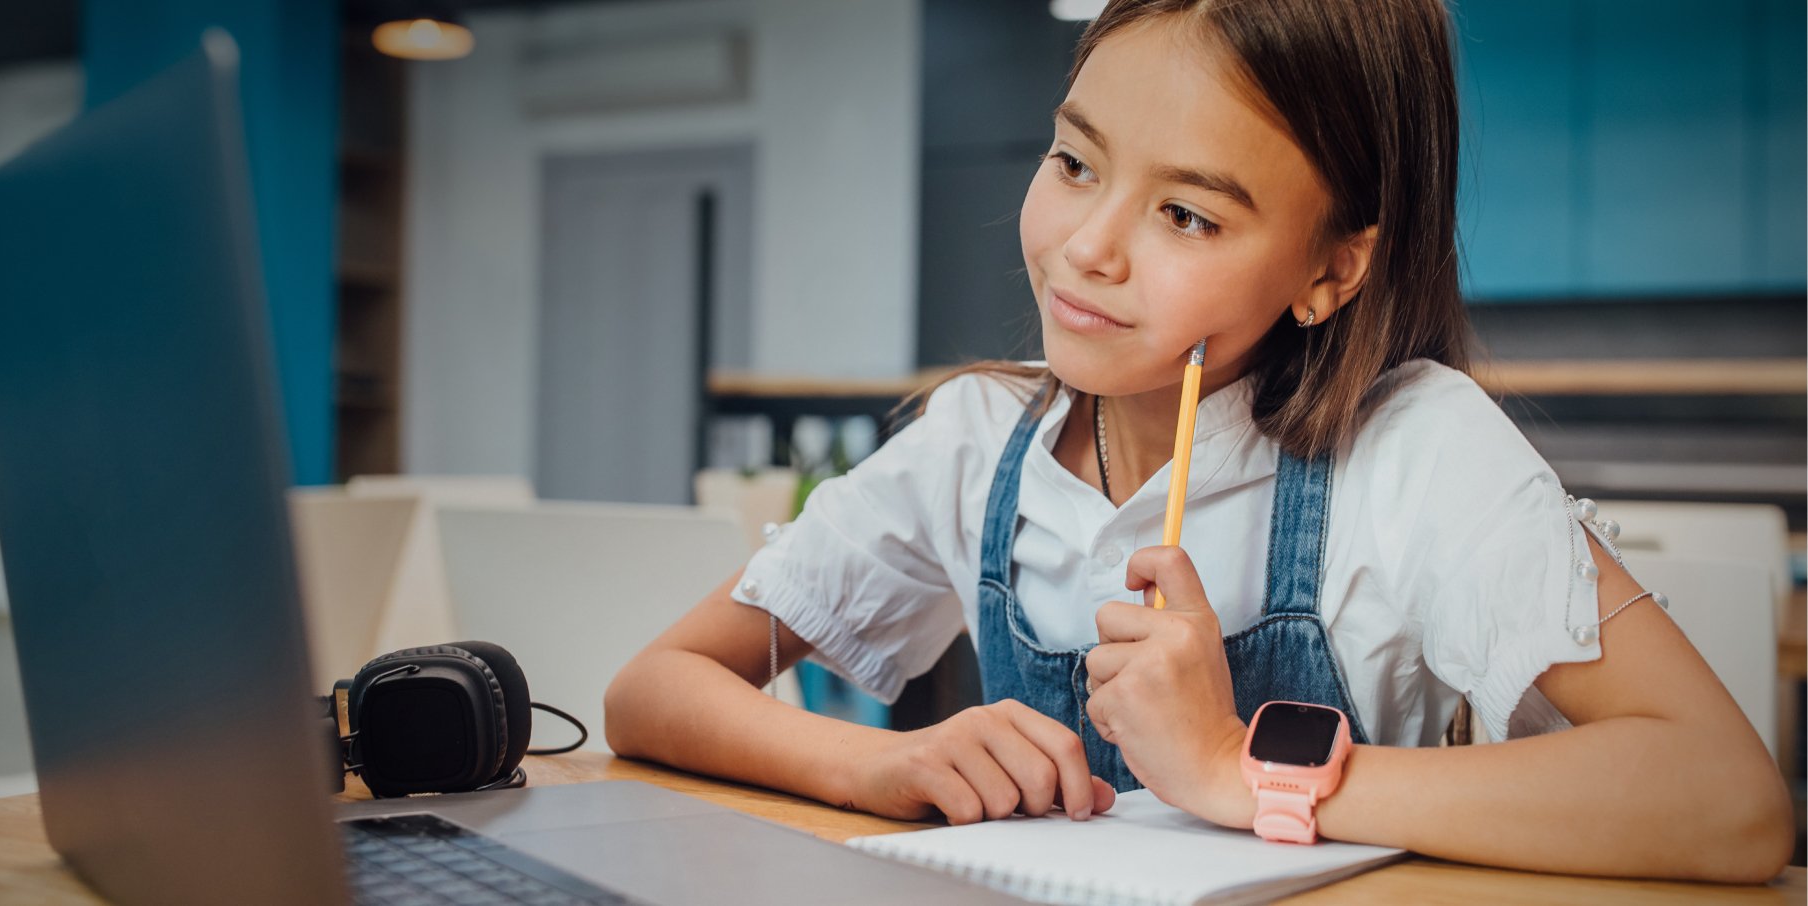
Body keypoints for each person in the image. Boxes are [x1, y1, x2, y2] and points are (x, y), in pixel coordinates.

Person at [605, 0, 1793, 882]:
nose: (1087, 248)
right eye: (1073, 162)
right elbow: (654, 689)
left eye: (1185, 213)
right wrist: (879, 766)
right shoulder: (975, 444)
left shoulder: (1411, 453)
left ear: (1331, 268)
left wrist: (1236, 765)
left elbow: (1727, 802)